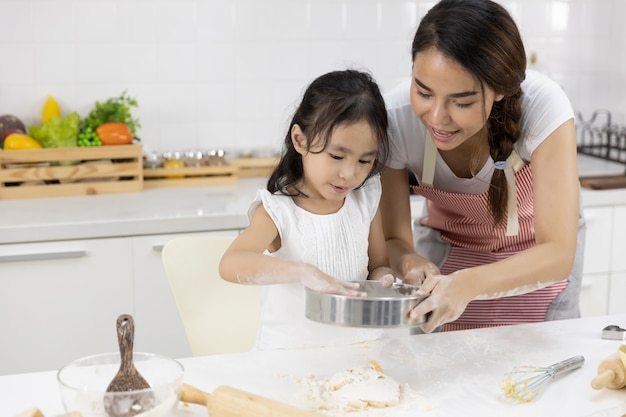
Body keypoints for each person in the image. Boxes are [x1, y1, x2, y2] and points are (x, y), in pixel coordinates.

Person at [380, 0, 585, 333]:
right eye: (423, 91)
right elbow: (392, 238)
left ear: (501, 89)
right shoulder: (396, 117)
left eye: (461, 101)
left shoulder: (544, 105)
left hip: (537, 269)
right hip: (447, 260)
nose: (436, 118)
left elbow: (558, 253)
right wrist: (408, 260)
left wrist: (469, 284)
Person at [219, 69, 395, 350]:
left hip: (360, 352)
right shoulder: (278, 211)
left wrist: (383, 281)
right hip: (290, 360)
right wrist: (303, 272)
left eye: (365, 161)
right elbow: (230, 264)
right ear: (300, 141)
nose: (349, 174)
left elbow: (378, 266)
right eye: (336, 156)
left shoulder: (365, 201)